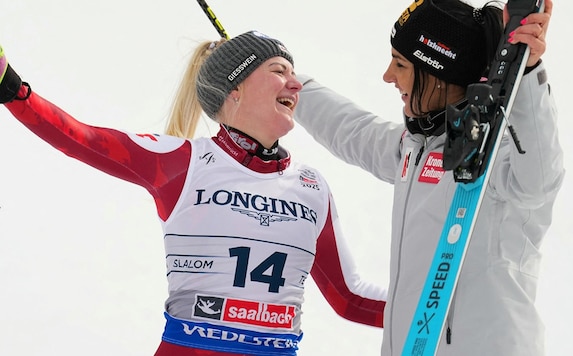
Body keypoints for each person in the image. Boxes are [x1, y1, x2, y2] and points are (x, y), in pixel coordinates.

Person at [0, 30, 386, 355]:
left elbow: (349, 298)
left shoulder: (312, 186)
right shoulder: (183, 162)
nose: (297, 84)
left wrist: (442, 311)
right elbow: (81, 138)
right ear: (235, 88)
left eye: (294, 73)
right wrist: (13, 89)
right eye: (279, 70)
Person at [291, 0, 564, 355]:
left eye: (401, 63)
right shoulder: (416, 148)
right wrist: (287, 83)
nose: (388, 76)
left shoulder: (502, 158)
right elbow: (352, 130)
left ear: (439, 72)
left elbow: (541, 179)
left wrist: (527, 74)